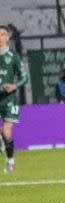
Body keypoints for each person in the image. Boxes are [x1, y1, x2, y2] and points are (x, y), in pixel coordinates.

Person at [0, 25, 28, 173]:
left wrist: (14, 86)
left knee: (7, 130)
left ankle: (10, 161)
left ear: (8, 37)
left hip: (9, 98)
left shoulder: (13, 57)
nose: (0, 38)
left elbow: (25, 77)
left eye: (3, 34)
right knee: (3, 133)